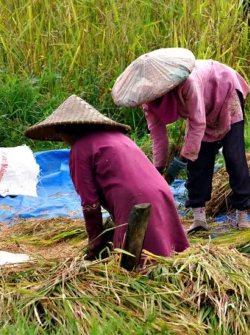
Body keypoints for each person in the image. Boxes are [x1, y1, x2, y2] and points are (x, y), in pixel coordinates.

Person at [24, 95, 189, 260]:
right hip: (162, 191)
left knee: (138, 262)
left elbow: (90, 203)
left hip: (134, 199)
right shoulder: (119, 137)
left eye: (60, 134)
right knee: (169, 253)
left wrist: (95, 244)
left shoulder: (80, 149)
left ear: (67, 130)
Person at [142, 60, 250, 232]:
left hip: (223, 91)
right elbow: (158, 136)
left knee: (233, 156)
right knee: (198, 162)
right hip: (200, 111)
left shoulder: (187, 83)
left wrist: (180, 160)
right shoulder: (148, 102)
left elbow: (197, 123)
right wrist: (158, 169)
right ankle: (199, 219)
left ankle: (242, 215)